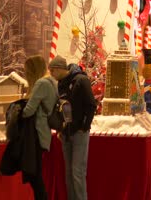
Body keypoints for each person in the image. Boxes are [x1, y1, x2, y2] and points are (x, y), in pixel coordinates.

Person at [49, 55, 96, 200]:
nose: (51, 75)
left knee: (77, 172)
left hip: (79, 133)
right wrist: (60, 129)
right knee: (68, 172)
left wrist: (84, 126)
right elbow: (60, 107)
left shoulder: (81, 80)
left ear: (59, 69)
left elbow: (91, 105)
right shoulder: (61, 83)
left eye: (52, 71)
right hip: (66, 133)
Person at [22, 55, 58, 200]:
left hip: (36, 134)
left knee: (34, 176)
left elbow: (29, 110)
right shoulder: (51, 83)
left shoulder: (41, 84)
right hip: (43, 133)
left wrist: (17, 112)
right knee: (35, 174)